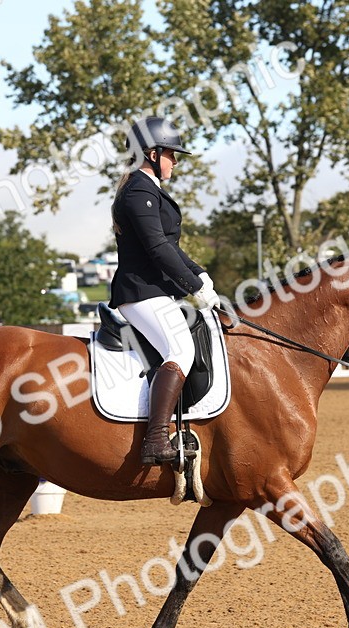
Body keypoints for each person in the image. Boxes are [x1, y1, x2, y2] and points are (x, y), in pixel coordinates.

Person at [110, 116, 220, 464]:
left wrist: (200, 275)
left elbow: (171, 247)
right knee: (181, 349)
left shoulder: (147, 189)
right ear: (153, 153)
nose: (176, 161)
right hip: (141, 291)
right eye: (172, 154)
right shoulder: (139, 190)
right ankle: (155, 442)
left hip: (155, 291)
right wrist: (192, 288)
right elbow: (157, 248)